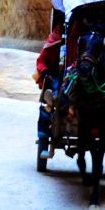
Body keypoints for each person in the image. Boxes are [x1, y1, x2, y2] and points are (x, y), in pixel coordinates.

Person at [33, 22, 63, 159]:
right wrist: (45, 72)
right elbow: (41, 61)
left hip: (80, 74)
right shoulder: (54, 39)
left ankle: (55, 97)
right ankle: (53, 99)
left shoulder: (86, 41)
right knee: (55, 89)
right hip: (56, 76)